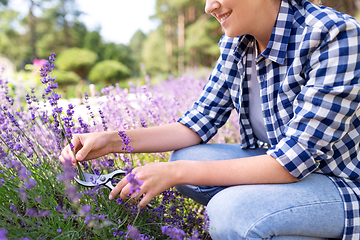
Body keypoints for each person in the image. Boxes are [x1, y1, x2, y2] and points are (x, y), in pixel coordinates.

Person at [59, 0, 360, 239]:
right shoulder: (238, 44)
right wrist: (112, 140)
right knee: (188, 155)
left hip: (343, 184)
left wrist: (176, 173)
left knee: (229, 212)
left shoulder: (332, 35)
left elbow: (293, 160)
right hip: (290, 171)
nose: (208, 7)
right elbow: (196, 123)